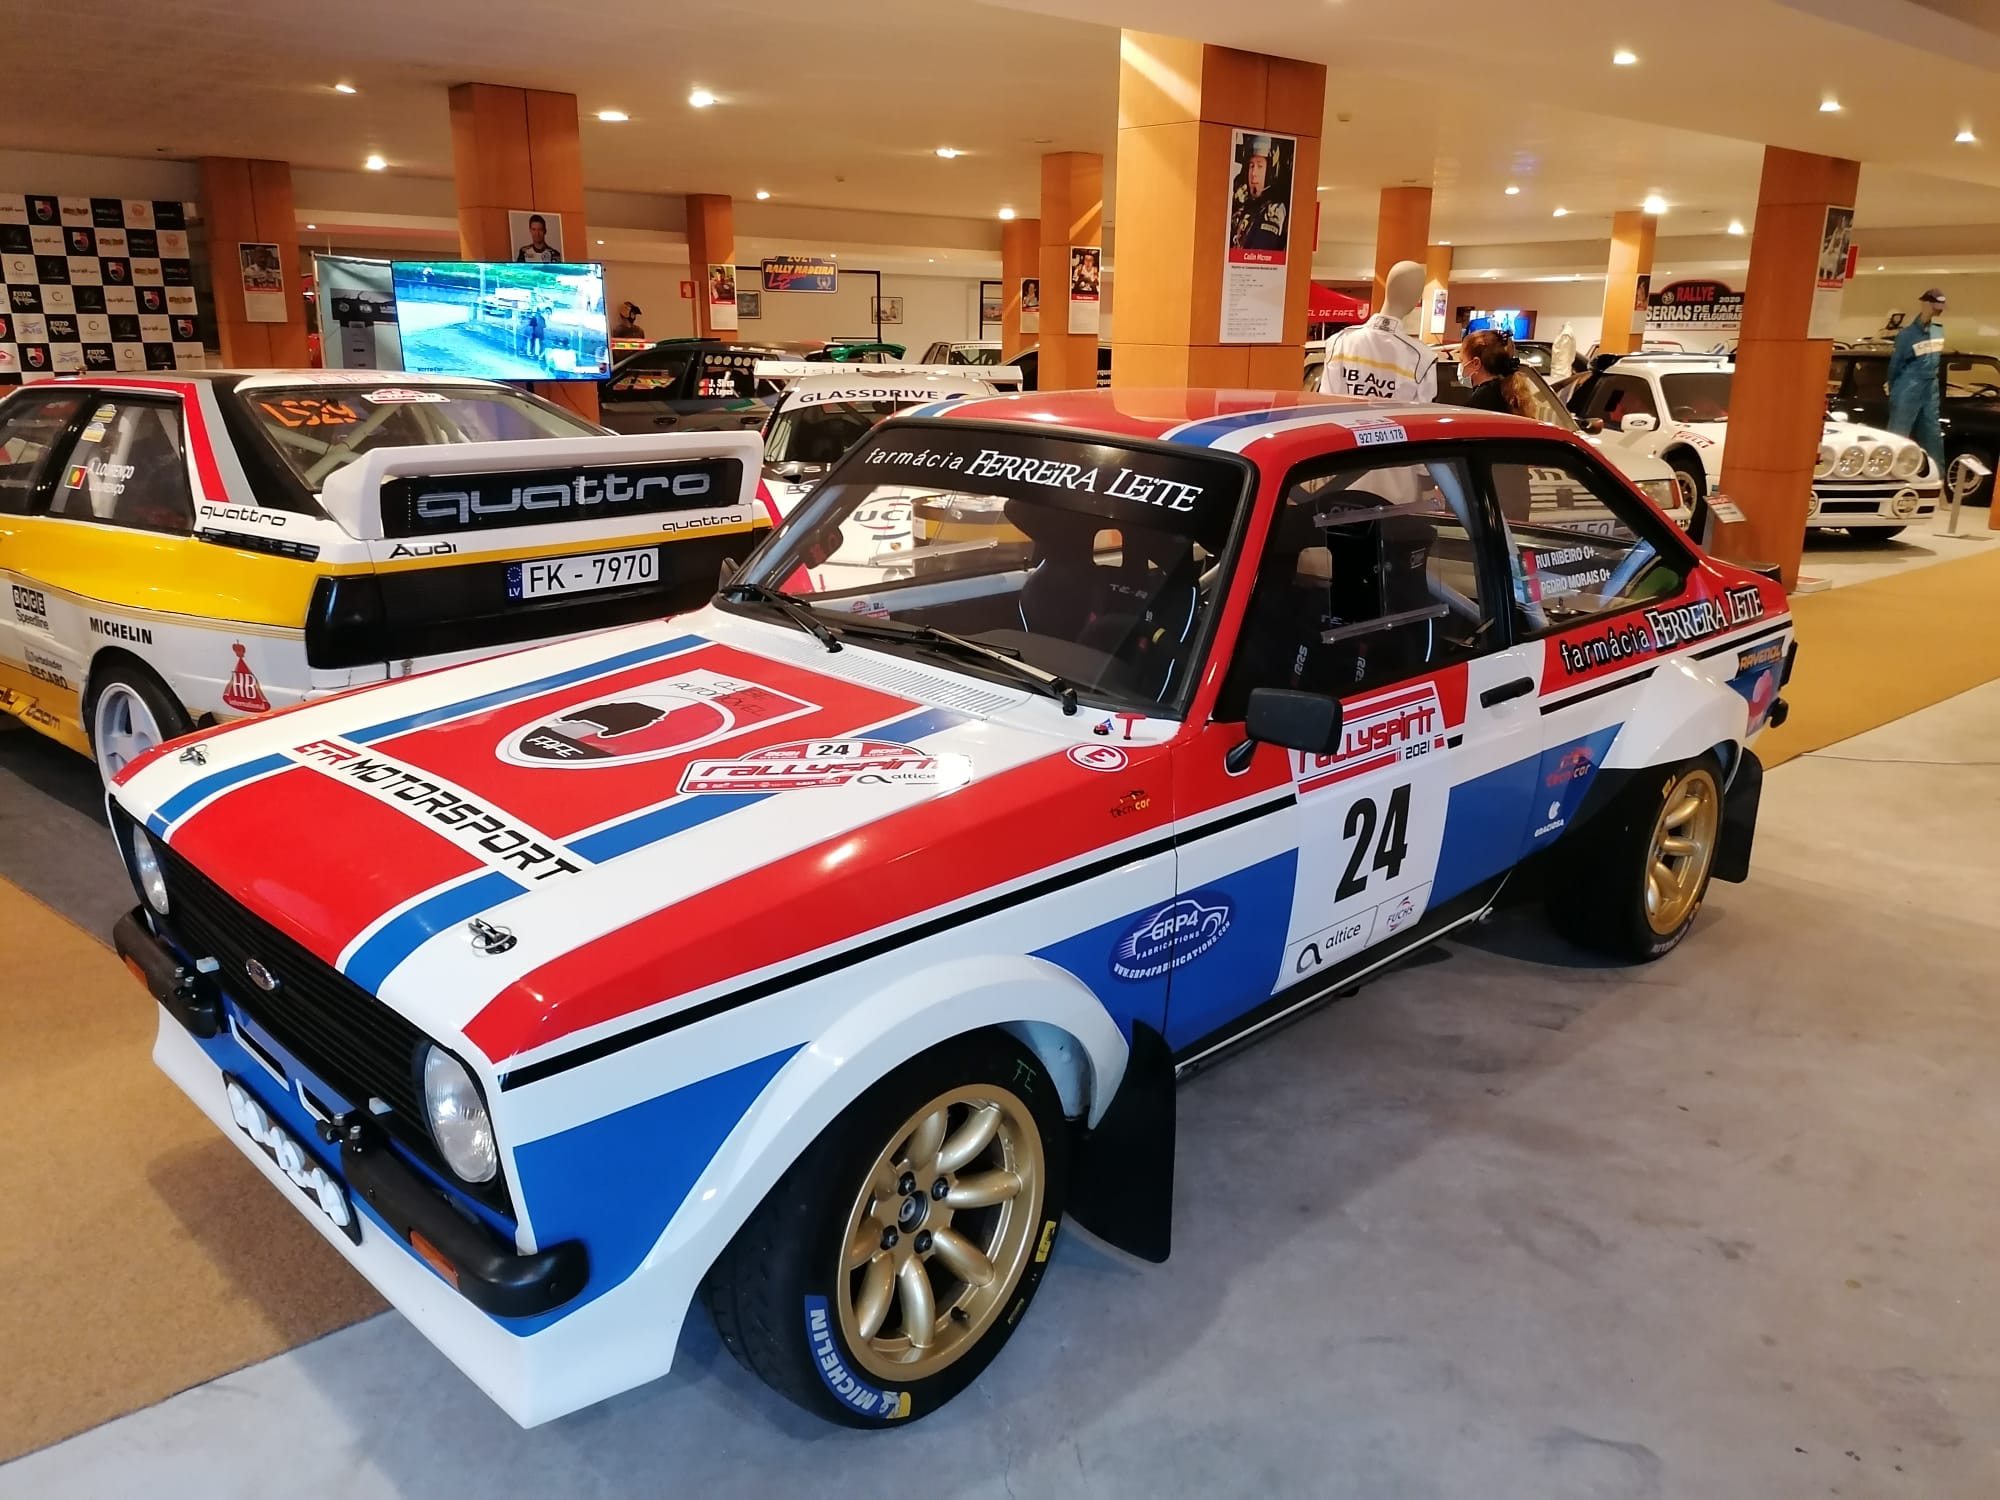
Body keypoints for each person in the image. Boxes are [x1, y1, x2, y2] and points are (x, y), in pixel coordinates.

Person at [1320, 259, 1436, 400]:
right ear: (1416, 298)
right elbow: (1420, 411)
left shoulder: (1339, 342)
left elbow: (1325, 402)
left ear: (1388, 288)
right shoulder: (1422, 358)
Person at [1888, 288, 1947, 466]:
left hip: (1930, 386)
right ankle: (1890, 473)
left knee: (1932, 433)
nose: (1939, 310)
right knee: (1898, 433)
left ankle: (1936, 475)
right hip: (1909, 384)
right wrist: (1893, 389)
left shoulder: (1938, 331)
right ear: (1925, 304)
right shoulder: (1907, 335)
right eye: (1936, 305)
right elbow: (1895, 365)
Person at [1229, 135, 1288, 253]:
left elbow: (1260, 250)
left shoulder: (1273, 210)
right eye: (1251, 166)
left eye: (1260, 166)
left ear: (1270, 172)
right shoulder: (1243, 207)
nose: (1253, 173)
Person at [1457, 329, 1537, 416]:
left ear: (1476, 363)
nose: (1461, 365)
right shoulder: (1507, 392)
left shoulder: (1481, 402)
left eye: (1462, 360)